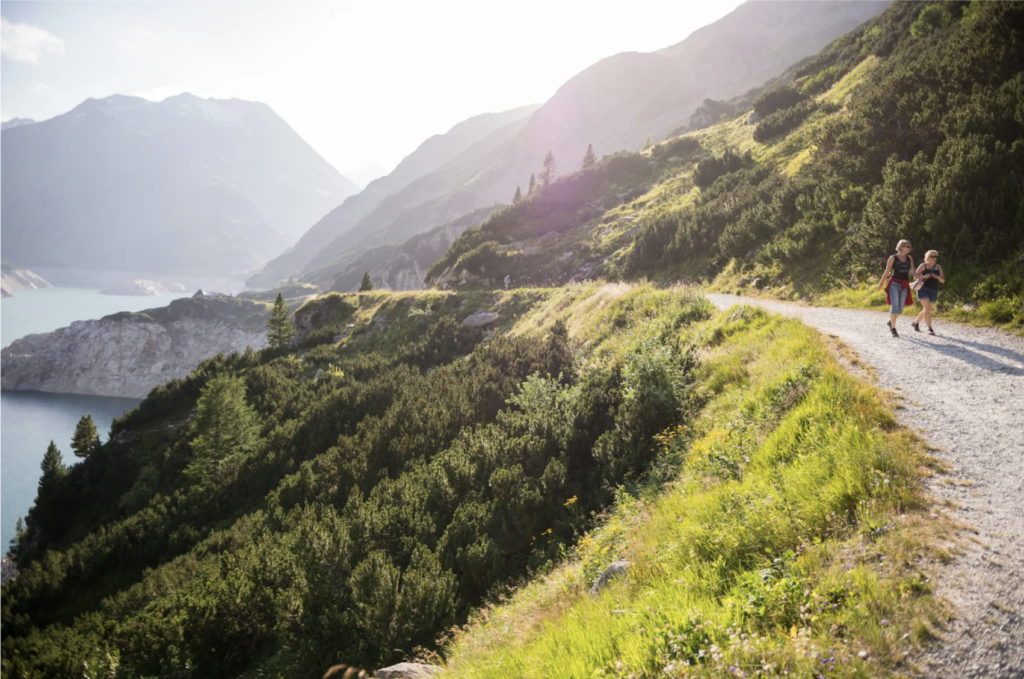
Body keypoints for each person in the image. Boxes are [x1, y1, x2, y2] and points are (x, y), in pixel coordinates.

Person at [876, 239, 915, 337]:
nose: (909, 248)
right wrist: (881, 284)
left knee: (900, 309)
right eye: (907, 246)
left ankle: (891, 321)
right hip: (894, 284)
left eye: (910, 246)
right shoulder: (893, 258)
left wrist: (919, 278)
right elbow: (887, 272)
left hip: (904, 285)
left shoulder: (909, 258)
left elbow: (913, 272)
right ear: (901, 247)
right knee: (895, 306)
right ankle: (893, 329)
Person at [912, 250, 944, 335]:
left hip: (933, 290)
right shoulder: (923, 266)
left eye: (935, 256)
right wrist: (923, 277)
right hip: (923, 289)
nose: (934, 258)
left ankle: (915, 323)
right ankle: (930, 328)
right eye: (932, 256)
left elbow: (943, 280)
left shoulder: (938, 267)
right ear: (927, 257)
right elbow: (915, 277)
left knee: (926, 310)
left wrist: (937, 276)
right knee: (928, 309)